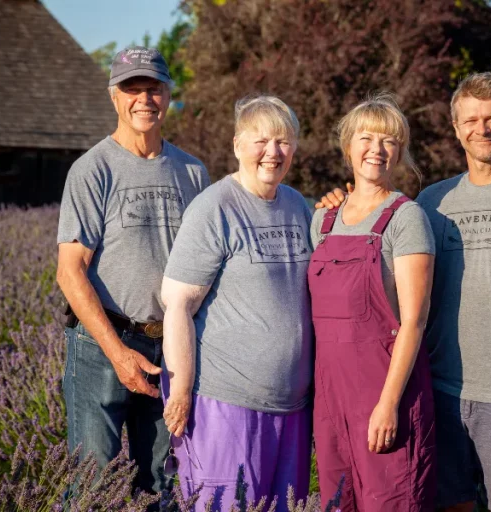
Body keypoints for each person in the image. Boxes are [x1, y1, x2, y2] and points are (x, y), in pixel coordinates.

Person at [319, 73, 491, 512]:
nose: (482, 129)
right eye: (471, 120)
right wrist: (339, 202)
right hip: (438, 391)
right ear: (456, 128)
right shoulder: (430, 203)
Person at [56, 46, 210, 498]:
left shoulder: (193, 173)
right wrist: (119, 355)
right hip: (103, 343)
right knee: (92, 483)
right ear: (114, 96)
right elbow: (70, 272)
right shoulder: (92, 170)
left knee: (162, 483)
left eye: (154, 88)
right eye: (132, 89)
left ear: (167, 94)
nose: (144, 99)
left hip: (172, 347)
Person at [160, 95, 313, 511]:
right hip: (225, 404)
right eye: (261, 140)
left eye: (283, 141)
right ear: (237, 146)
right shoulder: (214, 208)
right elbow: (177, 304)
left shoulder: (299, 207)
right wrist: (181, 391)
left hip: (291, 406)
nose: (273, 152)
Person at [309, 94, 436, 511]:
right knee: (336, 502)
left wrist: (387, 405)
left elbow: (414, 322)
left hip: (385, 394)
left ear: (400, 151)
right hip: (330, 401)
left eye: (388, 141)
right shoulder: (322, 221)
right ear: (348, 147)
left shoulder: (406, 218)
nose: (376, 150)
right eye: (366, 138)